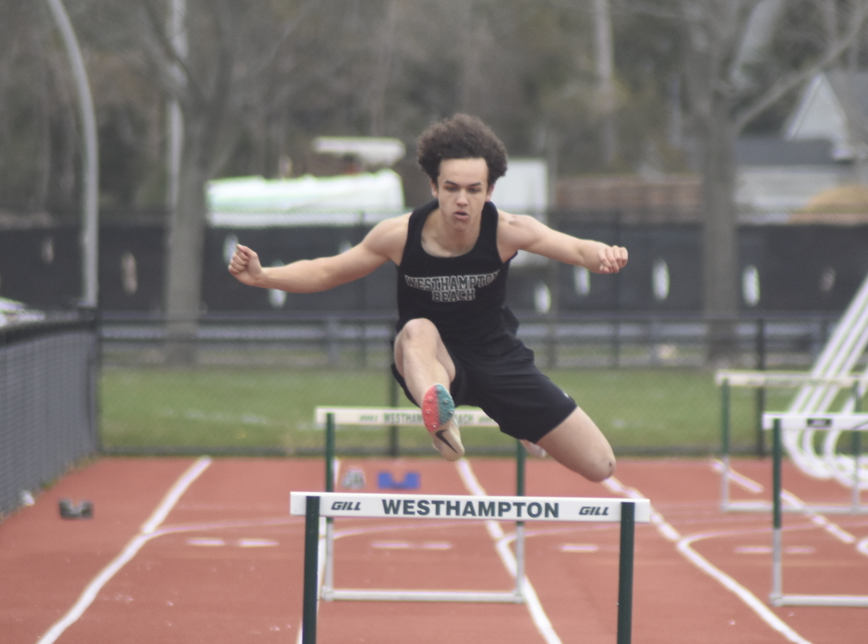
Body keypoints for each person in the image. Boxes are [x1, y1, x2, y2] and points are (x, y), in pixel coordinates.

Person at [228, 114, 625, 482]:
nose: (462, 201)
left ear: (490, 190)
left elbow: (574, 249)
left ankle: (518, 422)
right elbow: (329, 270)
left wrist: (604, 254)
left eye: (474, 190)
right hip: (430, 359)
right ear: (434, 187)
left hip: (496, 358)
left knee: (600, 465)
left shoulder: (507, 230)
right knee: (417, 330)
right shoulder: (399, 235)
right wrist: (264, 276)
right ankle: (440, 419)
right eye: (451, 189)